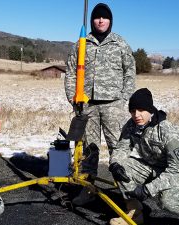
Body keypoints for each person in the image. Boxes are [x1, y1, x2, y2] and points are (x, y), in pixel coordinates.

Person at [64, 3, 136, 205]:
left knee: (118, 149)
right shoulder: (81, 43)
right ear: (92, 21)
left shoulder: (120, 43)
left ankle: (128, 197)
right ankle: (88, 190)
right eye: (97, 17)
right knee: (88, 150)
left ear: (110, 20)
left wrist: (124, 99)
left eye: (105, 17)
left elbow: (130, 72)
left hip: (114, 105)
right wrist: (72, 97)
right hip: (87, 106)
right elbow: (70, 72)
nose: (101, 20)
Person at [108, 88, 179, 225]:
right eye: (133, 111)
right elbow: (121, 148)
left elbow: (177, 169)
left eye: (141, 110)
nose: (136, 115)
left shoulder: (168, 132)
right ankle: (135, 212)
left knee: (167, 201)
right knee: (121, 169)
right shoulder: (132, 125)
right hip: (151, 166)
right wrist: (115, 164)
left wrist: (147, 189)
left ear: (150, 110)